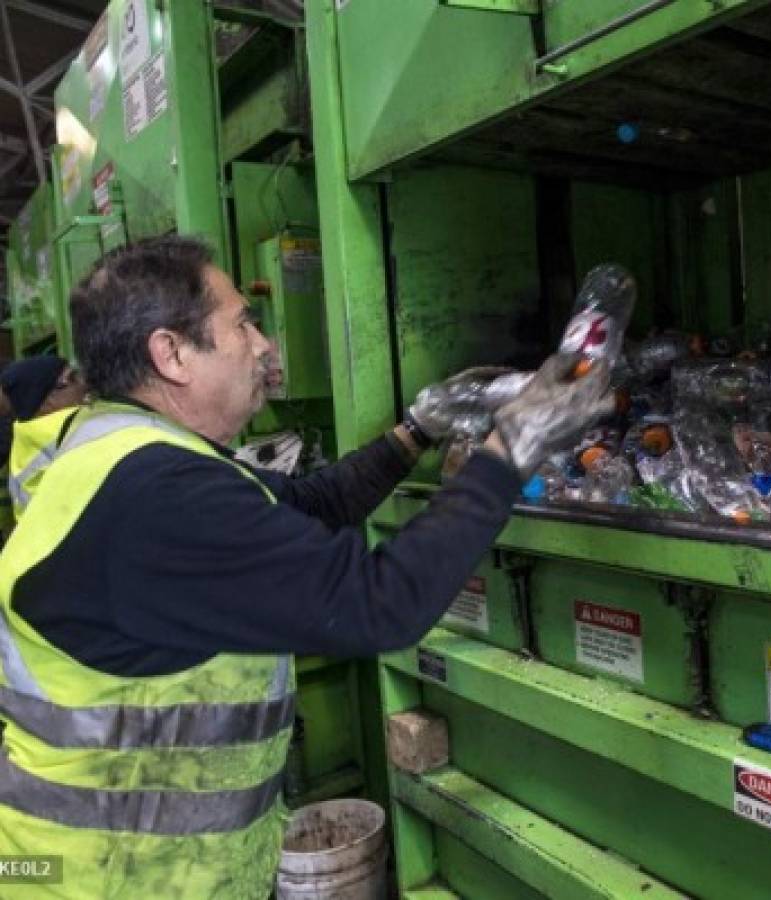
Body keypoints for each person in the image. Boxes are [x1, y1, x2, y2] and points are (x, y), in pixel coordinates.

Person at [0, 235, 612, 897]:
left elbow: (305, 504)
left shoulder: (120, 455)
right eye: (240, 323)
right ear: (170, 353)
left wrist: (418, 430)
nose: (262, 344)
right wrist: (510, 447)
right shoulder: (157, 494)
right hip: (110, 882)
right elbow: (381, 604)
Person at [0, 354, 92, 521]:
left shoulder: (26, 440)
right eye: (72, 378)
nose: (83, 384)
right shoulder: (77, 431)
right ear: (46, 401)